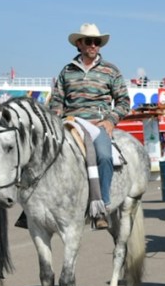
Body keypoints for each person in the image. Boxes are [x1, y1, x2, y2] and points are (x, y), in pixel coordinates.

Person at [49, 23, 130, 229]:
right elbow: (57, 100)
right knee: (45, 156)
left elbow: (123, 102)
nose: (93, 45)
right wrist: (56, 114)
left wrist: (110, 120)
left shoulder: (111, 71)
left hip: (97, 124)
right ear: (79, 44)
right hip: (71, 123)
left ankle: (101, 206)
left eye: (97, 42)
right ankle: (39, 207)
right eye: (89, 41)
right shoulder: (66, 71)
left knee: (103, 156)